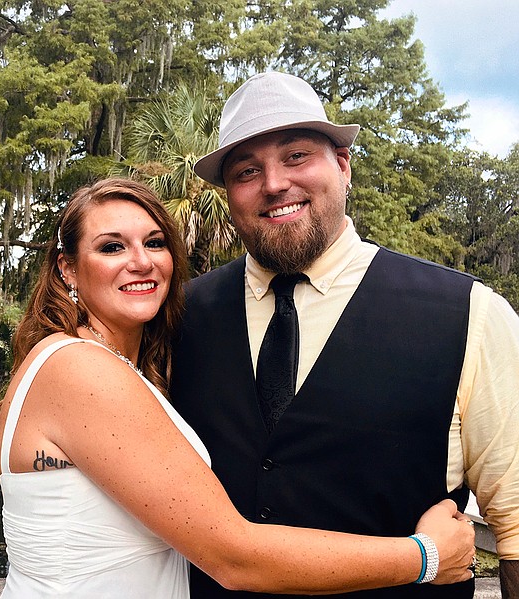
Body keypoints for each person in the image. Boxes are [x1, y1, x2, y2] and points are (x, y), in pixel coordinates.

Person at [0, 177, 475, 598]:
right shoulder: (81, 371)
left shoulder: (107, 364)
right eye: (112, 247)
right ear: (68, 268)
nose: (141, 261)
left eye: (155, 243)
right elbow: (232, 556)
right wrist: (425, 557)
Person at [171, 71, 519, 598]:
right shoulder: (180, 317)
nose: (273, 184)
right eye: (246, 170)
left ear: (342, 163)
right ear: (228, 195)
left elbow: (513, 528)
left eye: (295, 156)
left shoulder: (470, 314)